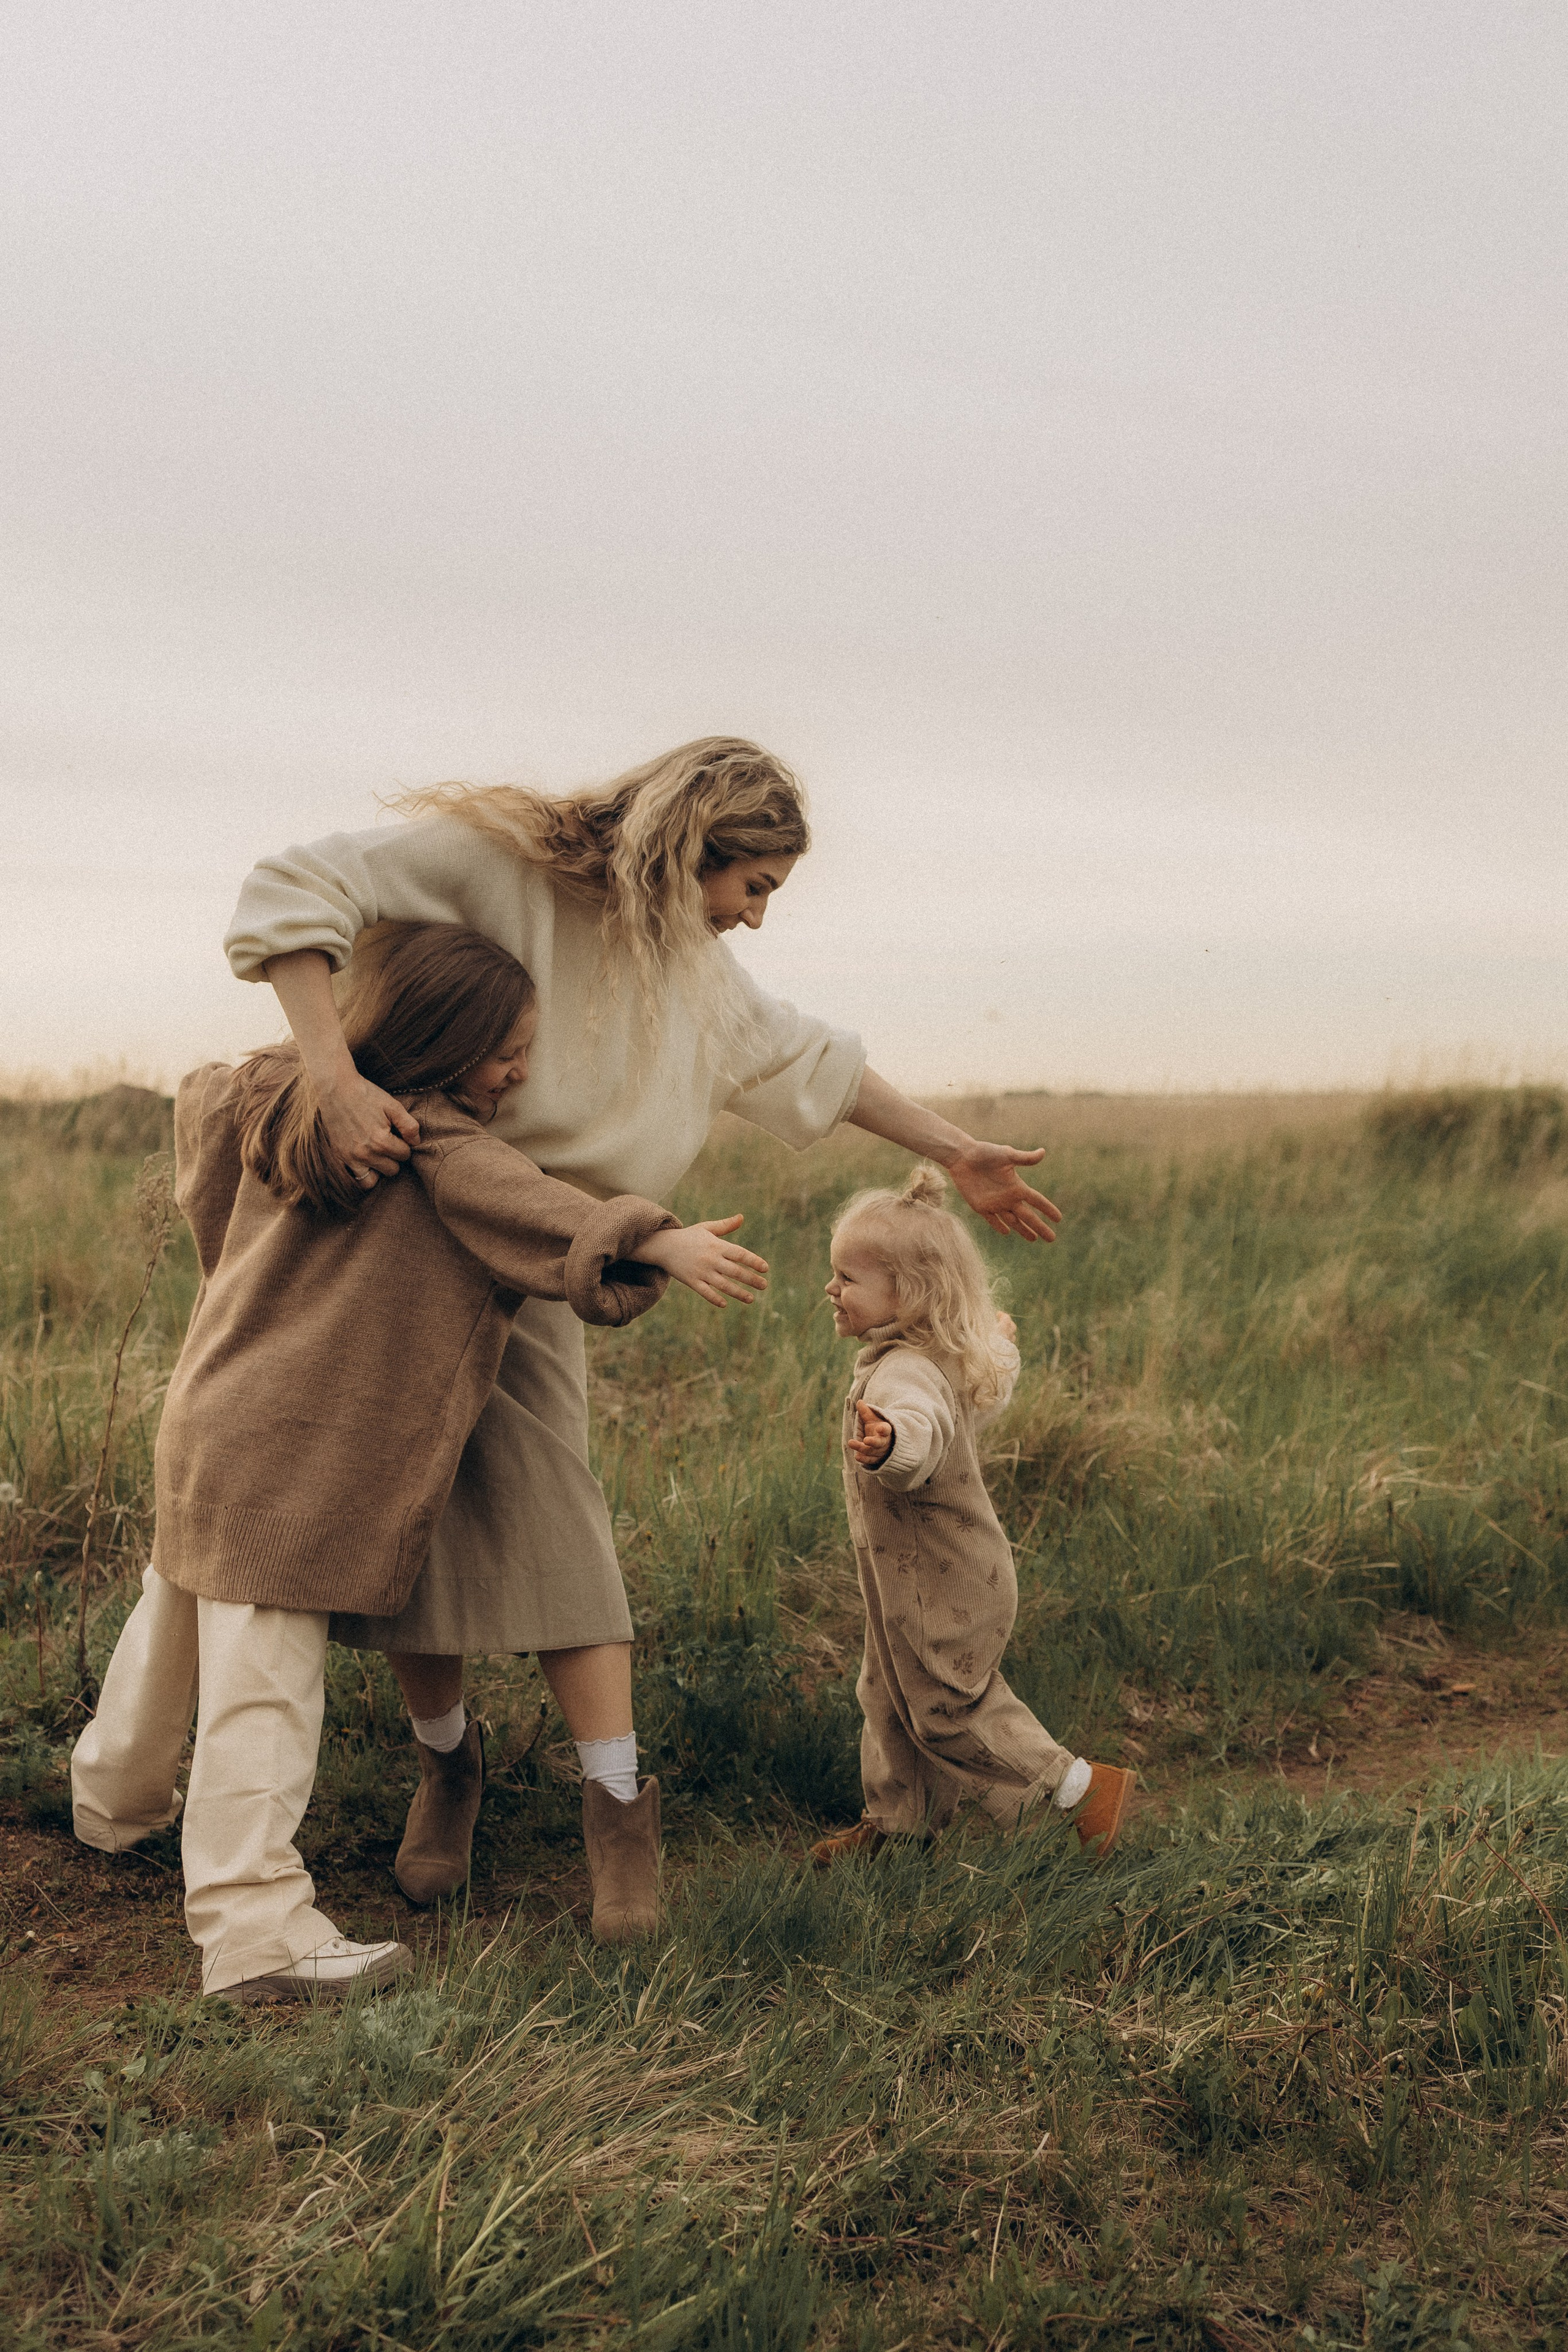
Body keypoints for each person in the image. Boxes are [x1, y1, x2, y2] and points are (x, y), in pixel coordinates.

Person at [221, 737, 1064, 1899]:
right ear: (689, 846)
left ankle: (619, 1817)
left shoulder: (694, 971)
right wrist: (330, 1074)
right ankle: (449, 1771)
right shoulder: (493, 865)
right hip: (411, 1234)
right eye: (752, 885)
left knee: (562, 1535)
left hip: (556, 1257)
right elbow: (293, 888)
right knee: (411, 1531)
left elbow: (810, 1061)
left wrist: (957, 1148)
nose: (757, 918)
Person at [71, 922, 766, 2002]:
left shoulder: (271, 1092)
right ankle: (256, 1932)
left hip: (209, 1412)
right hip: (300, 1458)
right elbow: (537, 1206)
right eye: (504, 1053)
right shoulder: (436, 1145)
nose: (520, 1074)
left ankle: (111, 1805)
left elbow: (203, 1116)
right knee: (263, 1690)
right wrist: (658, 1239)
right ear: (441, 1047)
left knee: (171, 1628)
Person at [810, 1164, 1132, 1865]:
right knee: (889, 1693)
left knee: (945, 1707)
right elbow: (991, 1373)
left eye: (846, 1277)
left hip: (942, 1581)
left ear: (909, 1293)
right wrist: (1002, 1342)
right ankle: (901, 1827)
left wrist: (890, 1445)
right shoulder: (941, 1352)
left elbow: (918, 1433)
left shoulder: (906, 1374)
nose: (831, 1289)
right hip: (913, 1578)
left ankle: (1075, 1788)